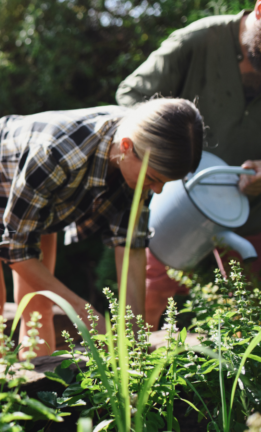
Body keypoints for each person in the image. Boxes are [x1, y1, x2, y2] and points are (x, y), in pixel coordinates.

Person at [0, 98, 204, 365]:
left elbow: (131, 247)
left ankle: (36, 393)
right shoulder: (58, 155)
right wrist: (85, 313)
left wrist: (136, 337)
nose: (158, 190)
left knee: (39, 304)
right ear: (126, 147)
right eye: (153, 179)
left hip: (45, 196)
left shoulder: (140, 151)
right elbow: (16, 252)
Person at [116, 0, 261, 328]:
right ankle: (136, 376)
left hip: (251, 216)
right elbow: (129, 101)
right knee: (149, 300)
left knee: (248, 318)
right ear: (259, 10)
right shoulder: (196, 42)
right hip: (173, 208)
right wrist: (167, 162)